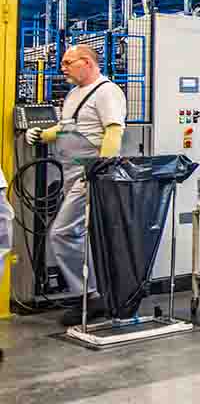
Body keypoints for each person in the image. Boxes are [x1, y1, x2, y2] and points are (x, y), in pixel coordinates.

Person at [26, 44, 126, 326]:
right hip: (72, 174)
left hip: (89, 174)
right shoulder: (73, 93)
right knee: (77, 234)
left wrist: (100, 169)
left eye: (68, 62)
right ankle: (93, 293)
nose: (62, 67)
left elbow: (114, 131)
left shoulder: (107, 92)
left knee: (62, 233)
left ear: (87, 62)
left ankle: (90, 295)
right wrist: (42, 134)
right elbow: (67, 127)